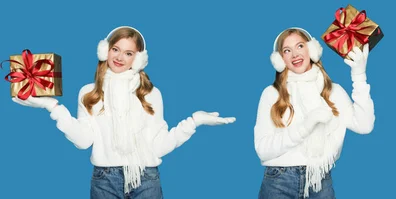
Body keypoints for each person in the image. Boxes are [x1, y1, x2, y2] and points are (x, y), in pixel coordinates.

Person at [12, 26, 236, 199]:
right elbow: (83, 141)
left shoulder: (150, 93)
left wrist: (193, 122)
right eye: (115, 49)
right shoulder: (88, 93)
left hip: (146, 177)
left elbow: (158, 146)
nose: (119, 57)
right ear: (105, 50)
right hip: (104, 179)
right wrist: (52, 107)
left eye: (128, 53)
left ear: (138, 59)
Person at [254, 27, 376, 198]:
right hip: (279, 182)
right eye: (287, 50)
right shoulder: (271, 94)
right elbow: (263, 150)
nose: (295, 54)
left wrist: (359, 75)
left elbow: (365, 126)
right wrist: (305, 126)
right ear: (280, 60)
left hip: (320, 181)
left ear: (312, 50)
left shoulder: (332, 91)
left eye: (300, 46)